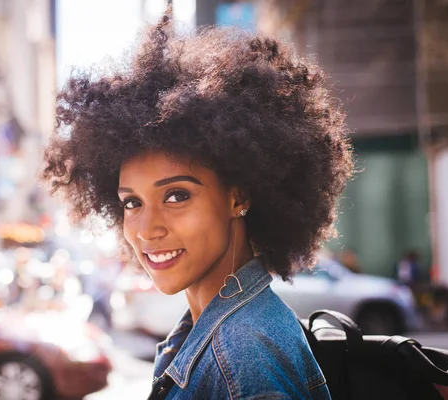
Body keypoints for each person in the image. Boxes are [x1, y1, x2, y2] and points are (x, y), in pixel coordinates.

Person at [41, 9, 353, 400]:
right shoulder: (215, 328)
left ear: (238, 197)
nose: (147, 229)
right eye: (132, 202)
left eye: (177, 195)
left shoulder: (243, 355)